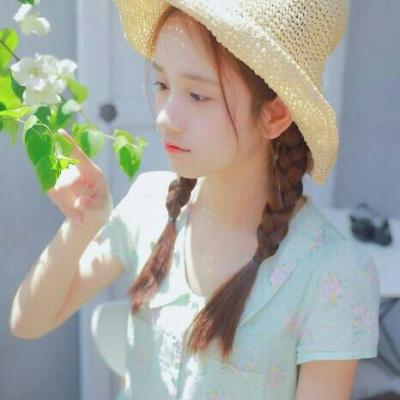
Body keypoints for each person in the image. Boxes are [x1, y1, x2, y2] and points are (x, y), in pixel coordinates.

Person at [10, 0, 381, 399]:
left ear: (274, 116)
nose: (165, 117)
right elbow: (28, 322)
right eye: (162, 85)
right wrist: (82, 223)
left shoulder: (330, 273)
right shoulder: (149, 205)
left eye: (198, 96)